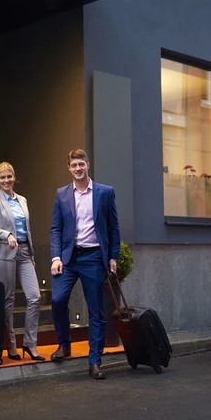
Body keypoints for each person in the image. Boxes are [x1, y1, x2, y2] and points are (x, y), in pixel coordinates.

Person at [50, 149, 120, 379]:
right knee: (58, 300)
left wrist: (113, 257)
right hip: (69, 258)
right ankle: (64, 344)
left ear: (88, 164)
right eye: (74, 165)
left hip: (93, 258)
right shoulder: (61, 195)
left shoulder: (105, 193)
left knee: (96, 311)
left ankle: (94, 362)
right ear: (69, 168)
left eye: (81, 164)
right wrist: (56, 257)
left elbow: (113, 228)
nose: (78, 168)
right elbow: (56, 229)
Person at [0, 162, 44, 362]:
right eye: (3, 178)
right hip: (4, 253)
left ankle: (30, 343)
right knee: (7, 301)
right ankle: (11, 344)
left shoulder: (22, 200)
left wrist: (32, 257)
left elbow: (27, 230)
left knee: (34, 297)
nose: (7, 180)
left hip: (25, 252)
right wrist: (6, 233)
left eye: (9, 176)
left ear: (14, 177)